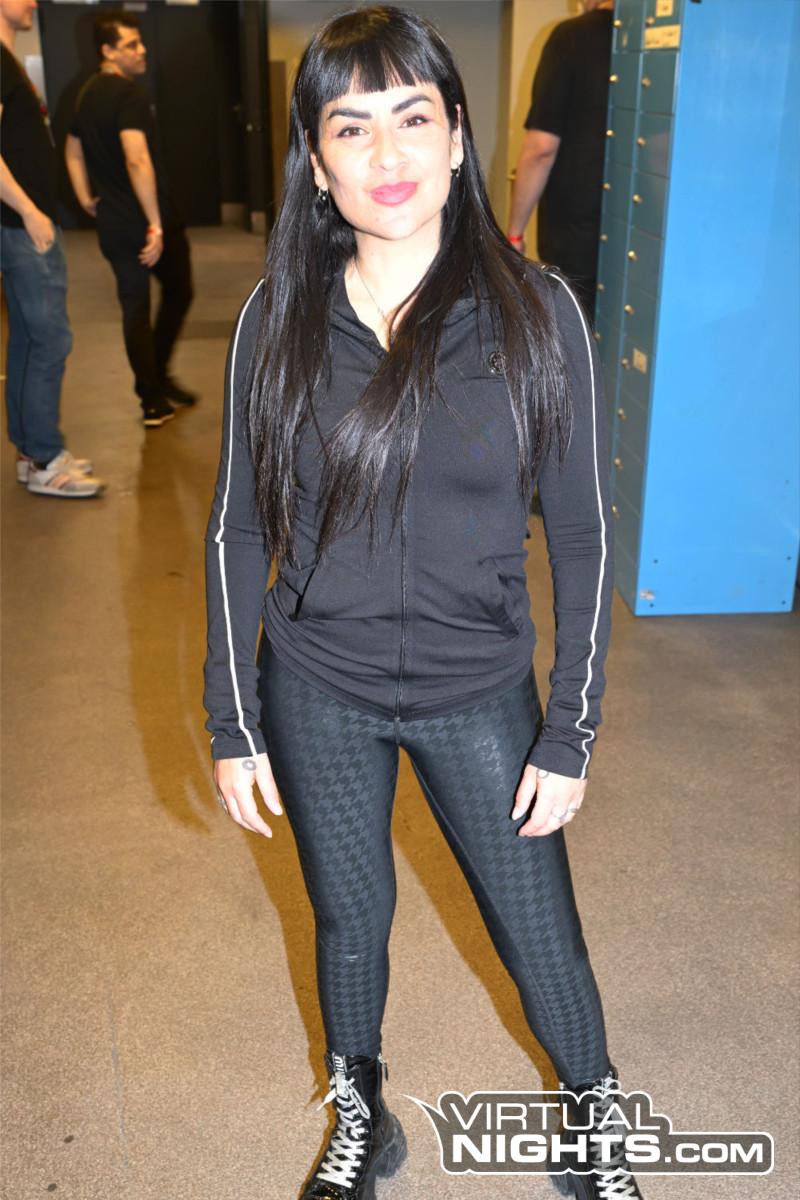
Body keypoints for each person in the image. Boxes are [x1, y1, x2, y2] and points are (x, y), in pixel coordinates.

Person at [203, 7, 643, 1199]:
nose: (387, 154)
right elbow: (239, 527)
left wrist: (569, 728)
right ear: (315, 161)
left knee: (538, 933)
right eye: (351, 128)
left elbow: (584, 534)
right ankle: (363, 1122)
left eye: (412, 117)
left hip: (476, 687)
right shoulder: (275, 319)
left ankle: (594, 1122)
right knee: (348, 926)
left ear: (456, 137)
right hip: (318, 686)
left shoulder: (536, 313)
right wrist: (232, 718)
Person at [65, 9, 195, 428]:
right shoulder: (129, 95)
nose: (142, 51)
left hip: (113, 223)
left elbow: (72, 148)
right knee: (177, 292)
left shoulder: (84, 94)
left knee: (135, 306)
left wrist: (85, 197)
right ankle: (156, 381)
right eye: (131, 45)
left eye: (140, 43)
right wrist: (155, 224)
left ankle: (152, 396)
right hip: (147, 220)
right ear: (108, 51)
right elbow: (137, 159)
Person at [0, 0, 101, 497]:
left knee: (28, 337)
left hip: (21, 223)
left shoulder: (8, 60)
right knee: (49, 339)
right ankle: (44, 459)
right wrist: (29, 212)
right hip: (21, 224)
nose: (34, 3)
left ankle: (31, 452)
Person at [508, 0, 615, 320]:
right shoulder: (647, 42)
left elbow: (541, 148)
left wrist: (514, 234)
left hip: (574, 238)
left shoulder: (570, 37)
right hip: (633, 234)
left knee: (574, 333)